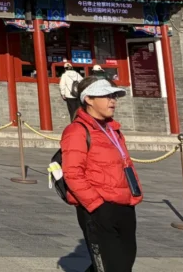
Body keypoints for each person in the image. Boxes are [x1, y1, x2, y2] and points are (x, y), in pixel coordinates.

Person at [62, 75, 142, 272]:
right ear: (88, 99)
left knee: (124, 261)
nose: (112, 101)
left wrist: (134, 194)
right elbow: (72, 173)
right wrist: (96, 205)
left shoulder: (113, 129)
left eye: (113, 96)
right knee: (112, 266)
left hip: (124, 204)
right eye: (106, 96)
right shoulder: (77, 131)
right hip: (98, 207)